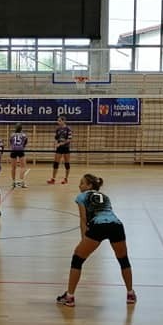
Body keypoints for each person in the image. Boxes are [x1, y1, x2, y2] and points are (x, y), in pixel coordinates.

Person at [55, 173, 137, 308]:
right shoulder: (105, 196)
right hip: (116, 225)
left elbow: (83, 219)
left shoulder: (81, 197)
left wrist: (83, 239)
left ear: (89, 186)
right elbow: (107, 213)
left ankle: (70, 297)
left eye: (82, 183)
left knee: (77, 259)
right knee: (123, 260)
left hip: (98, 226)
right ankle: (130, 294)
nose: (79, 186)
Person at [48, 116, 72, 184]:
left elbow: (69, 139)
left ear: (63, 121)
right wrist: (55, 143)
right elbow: (56, 138)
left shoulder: (68, 129)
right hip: (59, 148)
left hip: (66, 147)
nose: (58, 122)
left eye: (59, 121)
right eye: (58, 121)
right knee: (56, 163)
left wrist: (61, 143)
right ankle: (53, 179)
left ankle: (66, 179)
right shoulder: (58, 129)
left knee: (67, 163)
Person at [9, 123, 28, 188]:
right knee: (23, 167)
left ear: (15, 128)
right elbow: (25, 142)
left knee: (13, 168)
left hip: (13, 150)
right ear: (21, 129)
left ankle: (13, 182)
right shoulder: (24, 135)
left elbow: (11, 142)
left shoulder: (12, 135)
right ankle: (22, 182)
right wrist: (22, 147)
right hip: (20, 150)